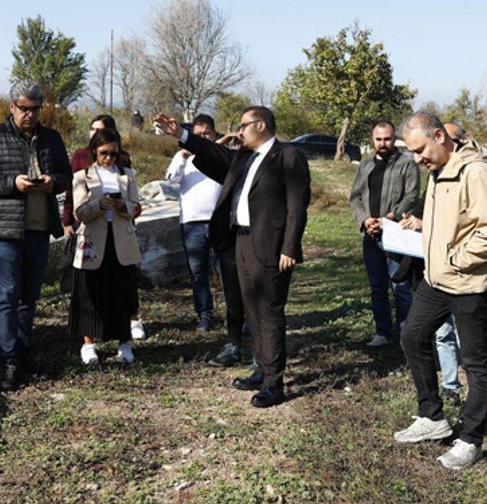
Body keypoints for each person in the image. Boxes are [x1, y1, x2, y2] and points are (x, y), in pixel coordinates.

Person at [154, 106, 311, 408]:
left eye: (243, 126)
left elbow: (297, 205)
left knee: (269, 312)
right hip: (240, 242)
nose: (239, 132)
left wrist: (289, 247)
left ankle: (273, 383)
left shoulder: (288, 156)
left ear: (261, 125)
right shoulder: (244, 157)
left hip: (271, 245)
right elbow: (212, 154)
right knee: (251, 311)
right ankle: (261, 370)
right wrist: (182, 135)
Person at [395, 112, 487, 471]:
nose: (417, 158)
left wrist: (456, 257)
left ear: (440, 136)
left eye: (419, 149)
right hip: (437, 279)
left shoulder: (475, 171)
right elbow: (451, 221)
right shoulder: (438, 170)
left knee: (474, 363)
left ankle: (471, 439)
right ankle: (432, 417)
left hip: (469, 281)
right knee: (412, 337)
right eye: (412, 152)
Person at [0, 81, 71, 391]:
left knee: (29, 297)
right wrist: (14, 183)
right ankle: (7, 360)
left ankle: (24, 353)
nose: (30, 114)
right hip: (5, 230)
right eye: (24, 108)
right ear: (11, 106)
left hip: (39, 228)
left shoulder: (51, 138)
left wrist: (54, 182)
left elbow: (66, 174)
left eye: (36, 109)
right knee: (7, 296)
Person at [165, 114, 247, 366]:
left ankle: (235, 318)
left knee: (228, 272)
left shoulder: (222, 157)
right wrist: (182, 155)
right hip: (191, 222)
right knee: (198, 271)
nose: (202, 139)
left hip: (220, 222)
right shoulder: (183, 159)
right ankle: (205, 314)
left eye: (207, 135)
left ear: (214, 134)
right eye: (198, 135)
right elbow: (170, 182)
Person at [62, 115, 146, 340]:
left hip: (120, 241)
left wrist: (122, 206)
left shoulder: (127, 176)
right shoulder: (82, 176)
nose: (109, 158)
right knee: (89, 293)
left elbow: (137, 208)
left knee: (122, 293)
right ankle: (88, 343)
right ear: (94, 152)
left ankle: (124, 342)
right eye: (104, 153)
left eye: (114, 153)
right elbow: (80, 211)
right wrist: (98, 206)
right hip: (92, 239)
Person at [349, 120, 419, 348]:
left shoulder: (406, 164)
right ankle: (383, 332)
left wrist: (389, 217)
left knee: (400, 286)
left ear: (394, 139)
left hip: (396, 235)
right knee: (377, 286)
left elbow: (412, 196)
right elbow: (356, 197)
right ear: (373, 140)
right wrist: (365, 220)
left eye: (387, 139)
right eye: (378, 139)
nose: (382, 143)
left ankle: (405, 335)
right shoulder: (366, 165)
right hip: (370, 235)